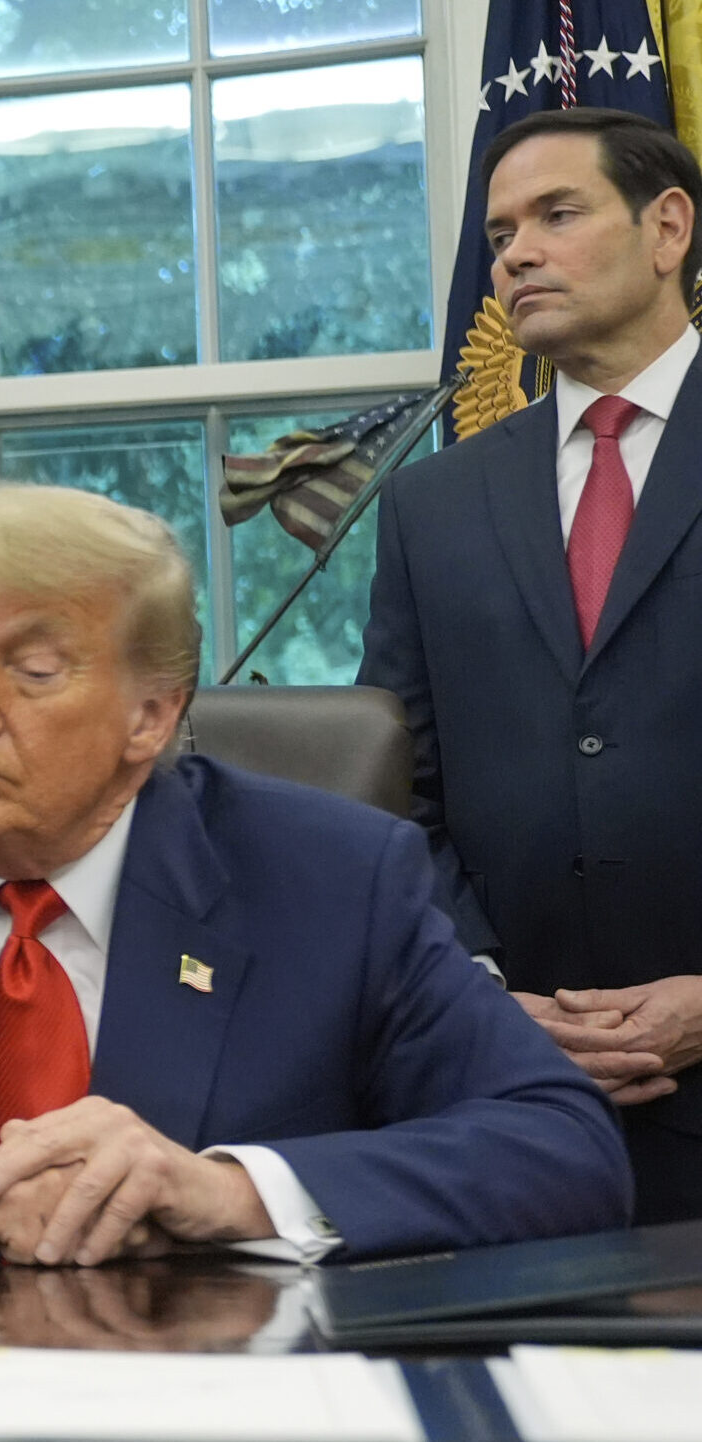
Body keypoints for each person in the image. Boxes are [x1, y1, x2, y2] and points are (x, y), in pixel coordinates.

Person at [0, 485, 632, 1264]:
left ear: (151, 716)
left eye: (33, 670)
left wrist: (224, 1193)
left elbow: (560, 1145)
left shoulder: (334, 879)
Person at [361, 107, 702, 1225]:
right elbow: (393, 791)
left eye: (557, 215)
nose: (516, 255)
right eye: (501, 232)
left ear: (667, 229)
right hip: (509, 1110)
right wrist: (481, 992)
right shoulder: (431, 503)